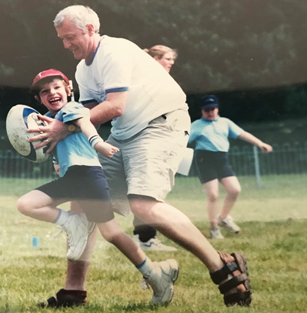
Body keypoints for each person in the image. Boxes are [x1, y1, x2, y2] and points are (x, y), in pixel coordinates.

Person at [28, 5, 252, 308]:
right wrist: (58, 136)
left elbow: (115, 106)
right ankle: (73, 292)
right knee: (83, 199)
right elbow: (84, 117)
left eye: (70, 38)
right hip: (125, 133)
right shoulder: (83, 69)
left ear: (91, 29)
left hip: (160, 124)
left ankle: (224, 266)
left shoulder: (114, 51)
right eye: (62, 40)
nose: (66, 45)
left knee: (145, 207)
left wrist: (61, 128)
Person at [18, 68, 180, 306]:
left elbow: (85, 121)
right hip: (71, 179)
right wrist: (55, 162)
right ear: (38, 99)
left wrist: (98, 143)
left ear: (68, 89)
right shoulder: (47, 119)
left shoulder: (71, 109)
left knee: (112, 233)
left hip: (89, 177)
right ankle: (72, 222)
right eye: (44, 91)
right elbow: (52, 144)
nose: (52, 93)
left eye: (56, 87)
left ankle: (156, 274)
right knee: (26, 204)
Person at [188, 95, 273, 239]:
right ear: (202, 111)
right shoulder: (196, 125)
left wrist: (260, 143)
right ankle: (214, 228)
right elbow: (183, 140)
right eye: (206, 110)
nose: (210, 112)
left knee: (234, 189)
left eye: (212, 109)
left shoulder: (225, 122)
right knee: (213, 195)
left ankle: (223, 218)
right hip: (205, 160)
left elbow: (242, 134)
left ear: (217, 108)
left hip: (221, 160)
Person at [132, 44, 178, 252]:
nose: (171, 63)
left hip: (162, 137)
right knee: (148, 191)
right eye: (167, 58)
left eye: (172, 60)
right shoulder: (148, 80)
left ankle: (144, 237)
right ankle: (146, 238)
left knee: (148, 190)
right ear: (156, 59)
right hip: (149, 139)